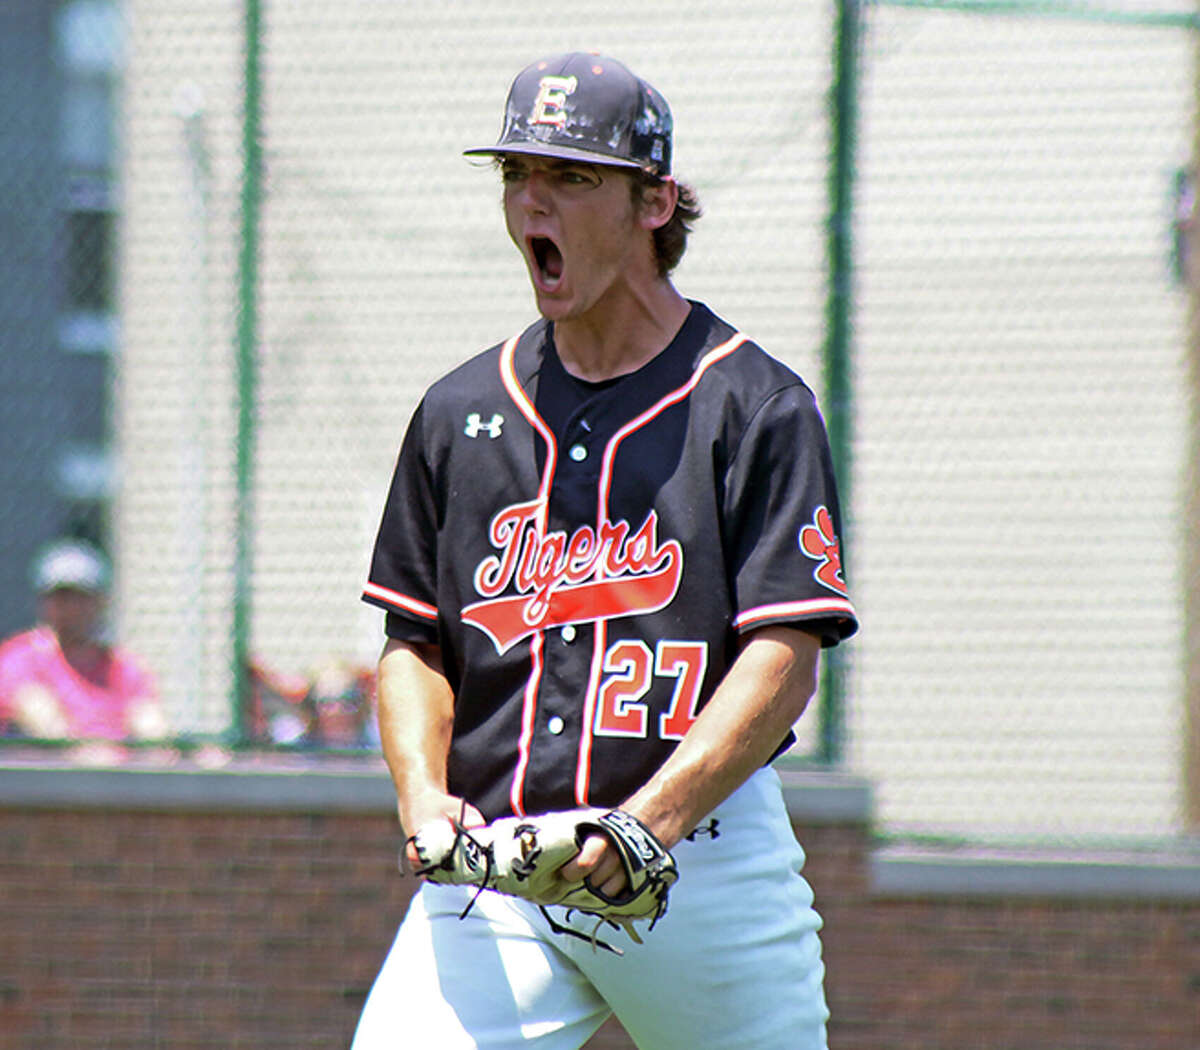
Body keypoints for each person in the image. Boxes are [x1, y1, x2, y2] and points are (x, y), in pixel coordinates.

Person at [355, 51, 858, 1050]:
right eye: (516, 175)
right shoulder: (463, 411)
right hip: (496, 868)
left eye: (571, 177)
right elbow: (413, 642)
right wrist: (421, 797)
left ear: (654, 202)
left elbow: (785, 659)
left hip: (697, 857)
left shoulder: (751, 404)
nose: (533, 200)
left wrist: (651, 823)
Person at [0, 539, 167, 749]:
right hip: (46, 777)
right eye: (61, 597)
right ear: (44, 603)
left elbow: (153, 730)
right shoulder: (20, 658)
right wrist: (94, 757)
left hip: (118, 775)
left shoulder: (123, 666)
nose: (71, 608)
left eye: (81, 598)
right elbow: (47, 725)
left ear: (101, 602)